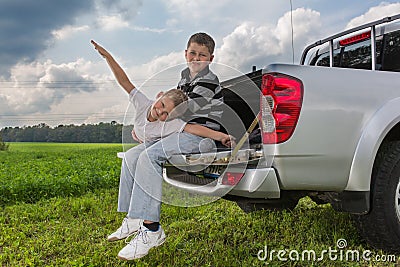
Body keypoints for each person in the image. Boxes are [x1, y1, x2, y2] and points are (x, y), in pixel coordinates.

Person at [91, 35, 232, 260]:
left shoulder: (208, 81)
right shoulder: (184, 78)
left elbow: (181, 112)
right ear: (186, 53)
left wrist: (219, 136)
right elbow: (170, 113)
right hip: (180, 132)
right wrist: (149, 129)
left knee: (149, 156)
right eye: (193, 53)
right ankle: (133, 219)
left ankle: (152, 229)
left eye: (202, 55)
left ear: (210, 58)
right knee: (131, 156)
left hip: (197, 134)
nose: (196, 58)